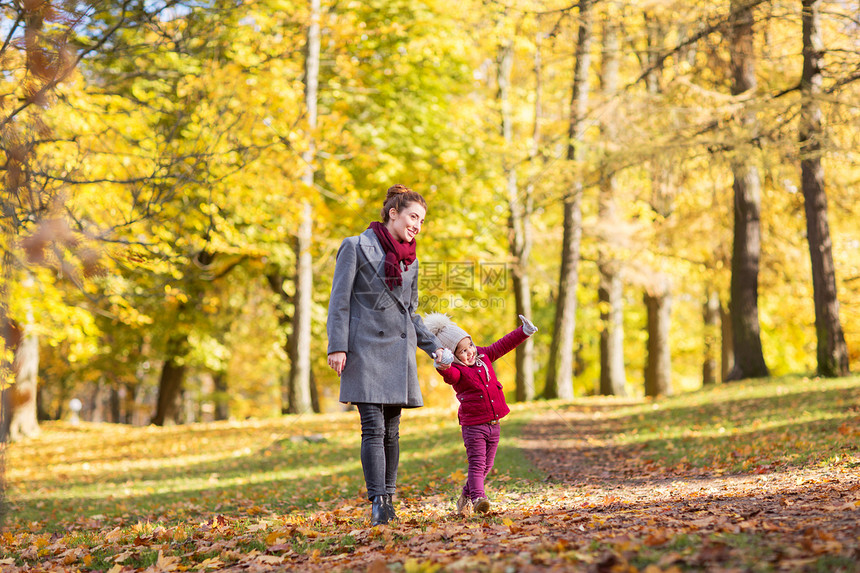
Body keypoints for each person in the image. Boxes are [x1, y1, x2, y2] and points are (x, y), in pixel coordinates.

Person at [326, 184, 452, 527]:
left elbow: (410, 312)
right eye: (414, 216)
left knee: (392, 432)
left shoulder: (410, 259)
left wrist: (434, 347)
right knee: (372, 427)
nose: (418, 225)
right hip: (364, 347)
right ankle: (378, 501)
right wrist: (337, 346)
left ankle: (390, 498)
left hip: (397, 351)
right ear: (393, 213)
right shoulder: (354, 246)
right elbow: (339, 300)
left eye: (422, 221)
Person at [424, 312, 538, 516]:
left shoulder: (483, 356)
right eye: (463, 351)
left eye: (470, 346)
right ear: (453, 355)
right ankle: (478, 498)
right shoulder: (457, 371)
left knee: (487, 465)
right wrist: (443, 366)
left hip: (494, 424)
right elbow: (449, 376)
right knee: (477, 464)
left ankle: (466, 496)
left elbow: (502, 345)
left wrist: (523, 332)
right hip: (474, 426)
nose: (470, 352)